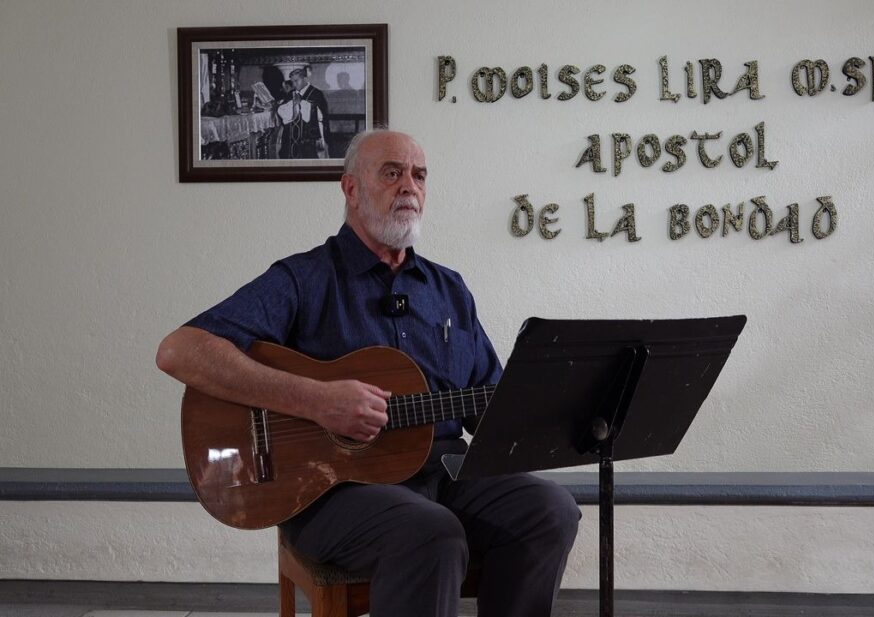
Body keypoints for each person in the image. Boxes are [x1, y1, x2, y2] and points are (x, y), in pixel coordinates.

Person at [156, 130, 580, 617]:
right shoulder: (304, 278)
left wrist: (553, 407)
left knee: (550, 510)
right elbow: (179, 351)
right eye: (392, 172)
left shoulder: (449, 289)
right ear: (351, 189)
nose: (410, 187)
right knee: (431, 532)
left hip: (443, 472)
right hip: (334, 490)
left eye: (419, 175)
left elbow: (488, 401)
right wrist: (315, 401)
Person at [276, 67, 330, 159]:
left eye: (296, 81)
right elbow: (283, 112)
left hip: (309, 135)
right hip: (290, 137)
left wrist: (301, 103)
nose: (294, 84)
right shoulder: (290, 94)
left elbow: (321, 115)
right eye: (292, 81)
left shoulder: (316, 93)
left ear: (305, 78)